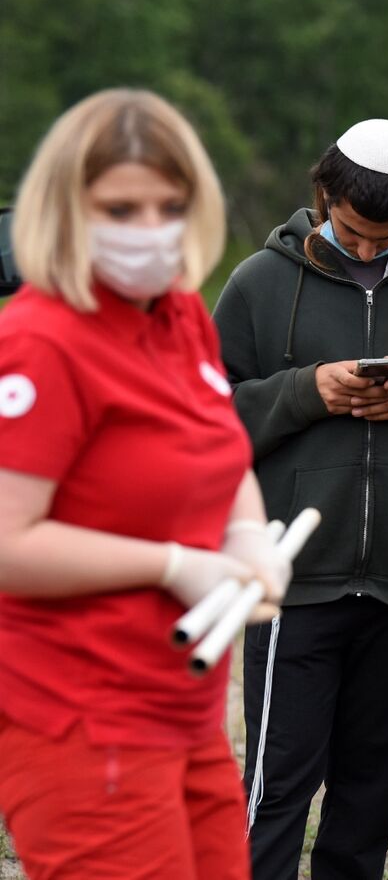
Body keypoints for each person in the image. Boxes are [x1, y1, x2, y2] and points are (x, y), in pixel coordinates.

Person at [0, 88, 288, 879]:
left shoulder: (181, 315)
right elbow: (7, 541)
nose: (149, 231)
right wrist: (167, 563)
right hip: (82, 720)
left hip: (186, 710)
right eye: (120, 210)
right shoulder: (39, 340)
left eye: (169, 206)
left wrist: (246, 537)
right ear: (67, 208)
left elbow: (220, 450)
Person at [212, 118, 388, 879]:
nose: (368, 249)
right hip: (292, 581)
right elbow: (201, 421)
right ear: (324, 194)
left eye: (386, 237)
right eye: (352, 231)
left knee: (370, 796)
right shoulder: (257, 285)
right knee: (275, 791)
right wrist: (307, 390)